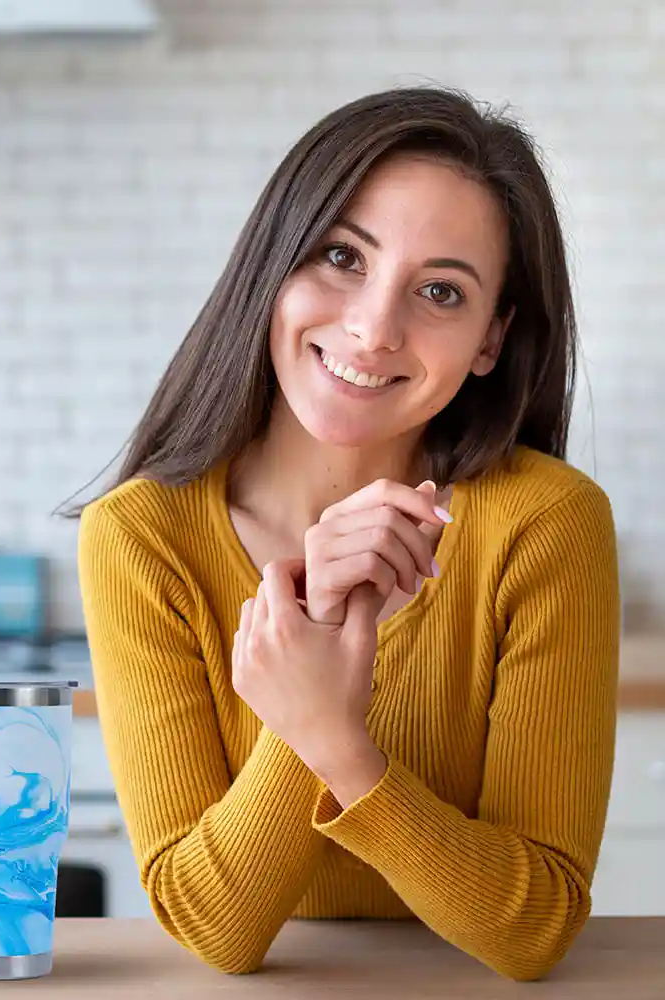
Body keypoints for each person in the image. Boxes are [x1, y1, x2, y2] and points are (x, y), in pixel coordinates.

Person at [69, 86, 619, 982]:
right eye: (341, 257)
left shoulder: (546, 526)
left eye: (441, 291)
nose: (373, 328)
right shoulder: (142, 537)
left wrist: (334, 737)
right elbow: (214, 930)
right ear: (274, 266)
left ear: (492, 338)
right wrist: (311, 668)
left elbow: (536, 930)